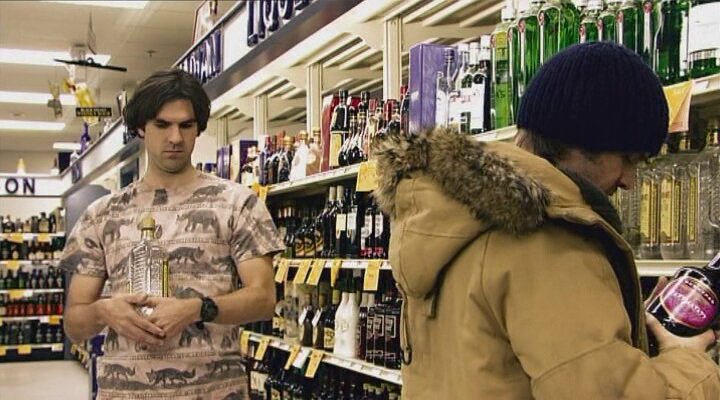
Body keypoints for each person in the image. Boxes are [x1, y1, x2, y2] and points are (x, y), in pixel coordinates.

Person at [372, 42, 720, 399]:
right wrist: (688, 361)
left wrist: (619, 324)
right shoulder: (547, 242)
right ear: (580, 139)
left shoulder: (454, 216)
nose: (630, 181)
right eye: (628, 159)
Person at [62, 69, 285, 400]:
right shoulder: (102, 214)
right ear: (141, 128)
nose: (176, 138)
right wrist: (104, 311)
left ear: (199, 128)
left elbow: (264, 300)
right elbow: (74, 323)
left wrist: (196, 309)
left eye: (186, 125)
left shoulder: (238, 203)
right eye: (162, 125)